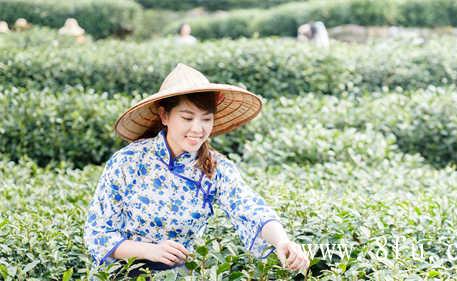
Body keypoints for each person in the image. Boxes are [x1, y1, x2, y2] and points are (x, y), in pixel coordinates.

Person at [83, 63, 310, 279]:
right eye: (187, 118)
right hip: (123, 273)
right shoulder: (128, 161)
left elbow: (249, 207)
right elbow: (97, 232)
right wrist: (149, 251)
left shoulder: (216, 168)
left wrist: (282, 242)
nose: (197, 129)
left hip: (180, 275)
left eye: (206, 119)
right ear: (165, 116)